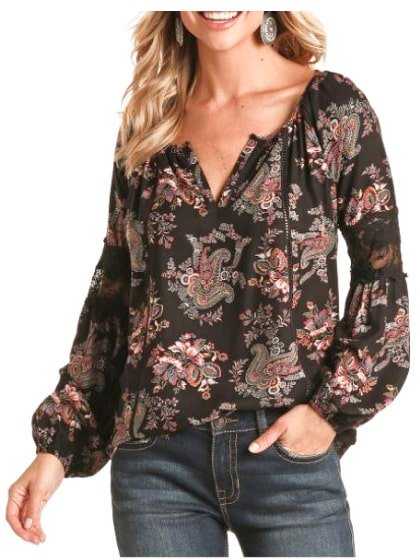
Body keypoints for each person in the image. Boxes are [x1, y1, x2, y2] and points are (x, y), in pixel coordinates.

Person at [6, 11, 410, 557]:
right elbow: (115, 294)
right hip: (157, 466)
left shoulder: (330, 109)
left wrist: (327, 413)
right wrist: (57, 447)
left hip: (287, 460)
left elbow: (380, 276)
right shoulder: (150, 120)